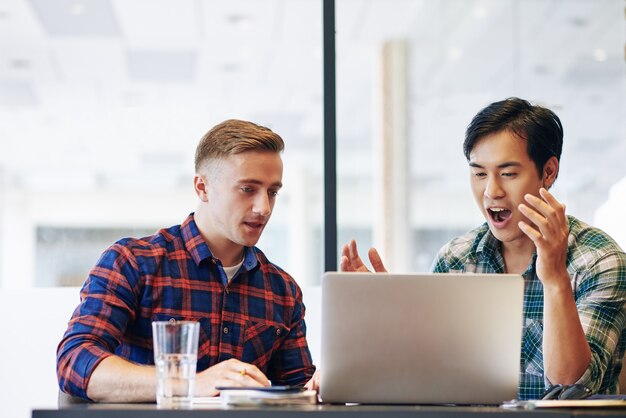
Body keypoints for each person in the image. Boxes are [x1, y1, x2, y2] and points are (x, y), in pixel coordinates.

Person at [341, 97, 626, 400]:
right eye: (479, 174)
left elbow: (570, 384)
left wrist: (555, 276)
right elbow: (431, 378)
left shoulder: (601, 261)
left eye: (508, 174)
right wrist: (393, 317)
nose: (492, 191)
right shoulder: (456, 260)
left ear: (549, 172)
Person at [57, 119, 316, 402]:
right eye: (247, 189)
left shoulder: (282, 290)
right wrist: (190, 383)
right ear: (202, 187)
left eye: (272, 192)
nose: (263, 208)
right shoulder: (133, 263)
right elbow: (75, 362)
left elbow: (300, 395)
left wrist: (364, 322)